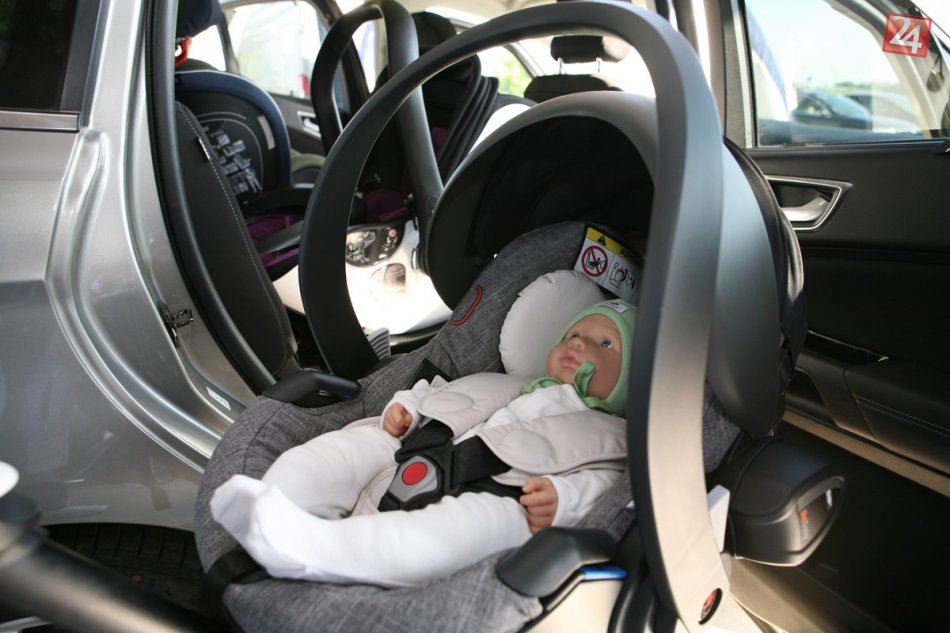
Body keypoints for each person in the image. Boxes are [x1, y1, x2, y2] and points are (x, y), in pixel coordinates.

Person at [211, 299, 636, 587]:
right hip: (416, 451)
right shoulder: (507, 383)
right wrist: (408, 410)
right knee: (349, 448)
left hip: (503, 495)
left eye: (605, 343)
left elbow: (603, 487)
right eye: (572, 334)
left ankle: (320, 549)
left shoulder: (612, 436)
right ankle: (277, 499)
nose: (578, 342)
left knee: (465, 530)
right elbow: (441, 394)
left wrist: (562, 499)